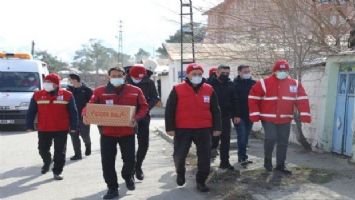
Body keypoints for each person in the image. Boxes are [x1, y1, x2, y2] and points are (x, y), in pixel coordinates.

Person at [87, 67, 148, 199]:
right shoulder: (99, 91)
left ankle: (128, 176)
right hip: (107, 133)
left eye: (119, 75)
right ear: (109, 77)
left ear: (124, 76)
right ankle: (112, 188)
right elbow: (90, 107)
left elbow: (144, 106)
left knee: (130, 160)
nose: (116, 78)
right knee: (107, 162)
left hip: (128, 132)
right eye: (113, 76)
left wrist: (136, 118)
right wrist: (85, 116)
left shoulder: (135, 90)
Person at [165, 63, 222, 193]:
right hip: (183, 128)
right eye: (194, 74)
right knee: (179, 155)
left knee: (205, 157)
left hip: (204, 129)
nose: (197, 76)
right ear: (188, 75)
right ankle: (180, 172)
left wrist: (217, 127)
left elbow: (216, 110)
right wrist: (170, 127)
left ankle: (201, 181)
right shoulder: (177, 89)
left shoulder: (209, 89)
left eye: (200, 74)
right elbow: (169, 110)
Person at [248, 60, 311, 174]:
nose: (282, 72)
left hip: (285, 118)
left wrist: (305, 115)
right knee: (271, 138)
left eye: (285, 70)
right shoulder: (263, 83)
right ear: (275, 71)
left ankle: (280, 165)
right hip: (268, 118)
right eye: (280, 70)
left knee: (283, 142)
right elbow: (253, 98)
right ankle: (267, 162)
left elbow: (302, 99)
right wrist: (255, 114)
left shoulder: (294, 83)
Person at [26, 73, 78, 180]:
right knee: (42, 149)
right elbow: (31, 111)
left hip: (61, 129)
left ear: (56, 84)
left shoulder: (67, 95)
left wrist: (74, 127)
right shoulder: (37, 95)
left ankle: (57, 171)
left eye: (49, 82)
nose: (46, 84)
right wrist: (29, 124)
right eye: (45, 82)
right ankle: (47, 161)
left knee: (60, 152)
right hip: (44, 128)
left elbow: (73, 112)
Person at [126, 65, 160, 181]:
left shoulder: (149, 82)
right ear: (130, 75)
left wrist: (145, 109)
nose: (138, 80)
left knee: (144, 144)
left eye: (141, 78)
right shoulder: (123, 80)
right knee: (128, 145)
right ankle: (129, 169)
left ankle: (138, 165)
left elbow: (155, 98)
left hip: (143, 117)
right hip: (126, 117)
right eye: (136, 78)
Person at [207, 64, 236, 170]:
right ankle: (206, 161)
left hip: (225, 117)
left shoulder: (230, 84)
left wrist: (235, 114)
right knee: (211, 140)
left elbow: (234, 100)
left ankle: (225, 162)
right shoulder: (209, 84)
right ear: (217, 72)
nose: (225, 75)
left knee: (226, 140)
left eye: (227, 73)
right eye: (223, 73)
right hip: (211, 117)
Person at [233, 65, 256, 167]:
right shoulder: (234, 84)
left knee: (246, 137)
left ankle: (243, 156)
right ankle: (242, 157)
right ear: (239, 72)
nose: (247, 73)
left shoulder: (254, 84)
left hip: (250, 115)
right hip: (239, 116)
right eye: (245, 72)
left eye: (248, 71)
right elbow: (234, 101)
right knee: (241, 136)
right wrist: (236, 115)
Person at [67, 73, 93, 160]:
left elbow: (92, 103)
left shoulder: (87, 90)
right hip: (72, 118)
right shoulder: (69, 90)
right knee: (74, 136)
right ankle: (77, 154)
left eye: (70, 80)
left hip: (84, 117)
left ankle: (88, 145)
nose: (69, 81)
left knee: (85, 135)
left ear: (74, 80)